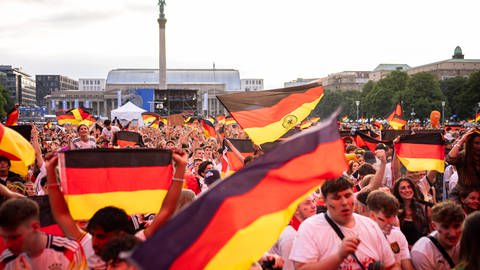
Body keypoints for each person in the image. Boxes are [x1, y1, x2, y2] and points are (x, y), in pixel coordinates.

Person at [45, 148, 187, 268]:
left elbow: (166, 210)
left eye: (102, 236)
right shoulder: (87, 245)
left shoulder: (136, 244)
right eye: (94, 235)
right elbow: (62, 215)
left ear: (121, 235)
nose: (95, 242)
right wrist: (50, 169)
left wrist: (180, 168)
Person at [289, 176, 398, 270]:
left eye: (347, 195)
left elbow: (392, 265)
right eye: (336, 198)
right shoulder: (310, 228)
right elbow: (301, 268)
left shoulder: (370, 225)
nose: (344, 202)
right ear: (325, 202)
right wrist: (339, 257)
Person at [0, 198, 86, 269]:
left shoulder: (68, 250)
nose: (7, 244)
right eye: (3, 237)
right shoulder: (5, 259)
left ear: (35, 227)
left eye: (14, 237)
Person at [366, 191, 414, 270]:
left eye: (394, 216)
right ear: (372, 215)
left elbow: (407, 266)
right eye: (387, 217)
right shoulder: (361, 240)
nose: (392, 222)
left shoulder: (397, 235)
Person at [411, 201, 465, 270]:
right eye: (445, 227)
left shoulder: (467, 240)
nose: (453, 234)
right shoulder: (422, 252)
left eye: (456, 226)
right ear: (434, 226)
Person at [269, 196, 316, 270]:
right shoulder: (291, 236)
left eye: (313, 201)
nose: (314, 206)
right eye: (307, 203)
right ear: (296, 210)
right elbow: (289, 268)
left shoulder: (302, 229)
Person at [392, 178, 430, 247]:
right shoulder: (394, 211)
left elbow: (430, 231)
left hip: (422, 249)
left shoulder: (423, 208)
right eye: (403, 188)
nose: (407, 190)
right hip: (404, 251)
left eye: (409, 187)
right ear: (397, 191)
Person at [446, 128, 480, 197]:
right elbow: (450, 159)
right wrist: (462, 140)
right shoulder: (463, 155)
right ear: (470, 143)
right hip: (462, 195)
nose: (479, 146)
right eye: (476, 143)